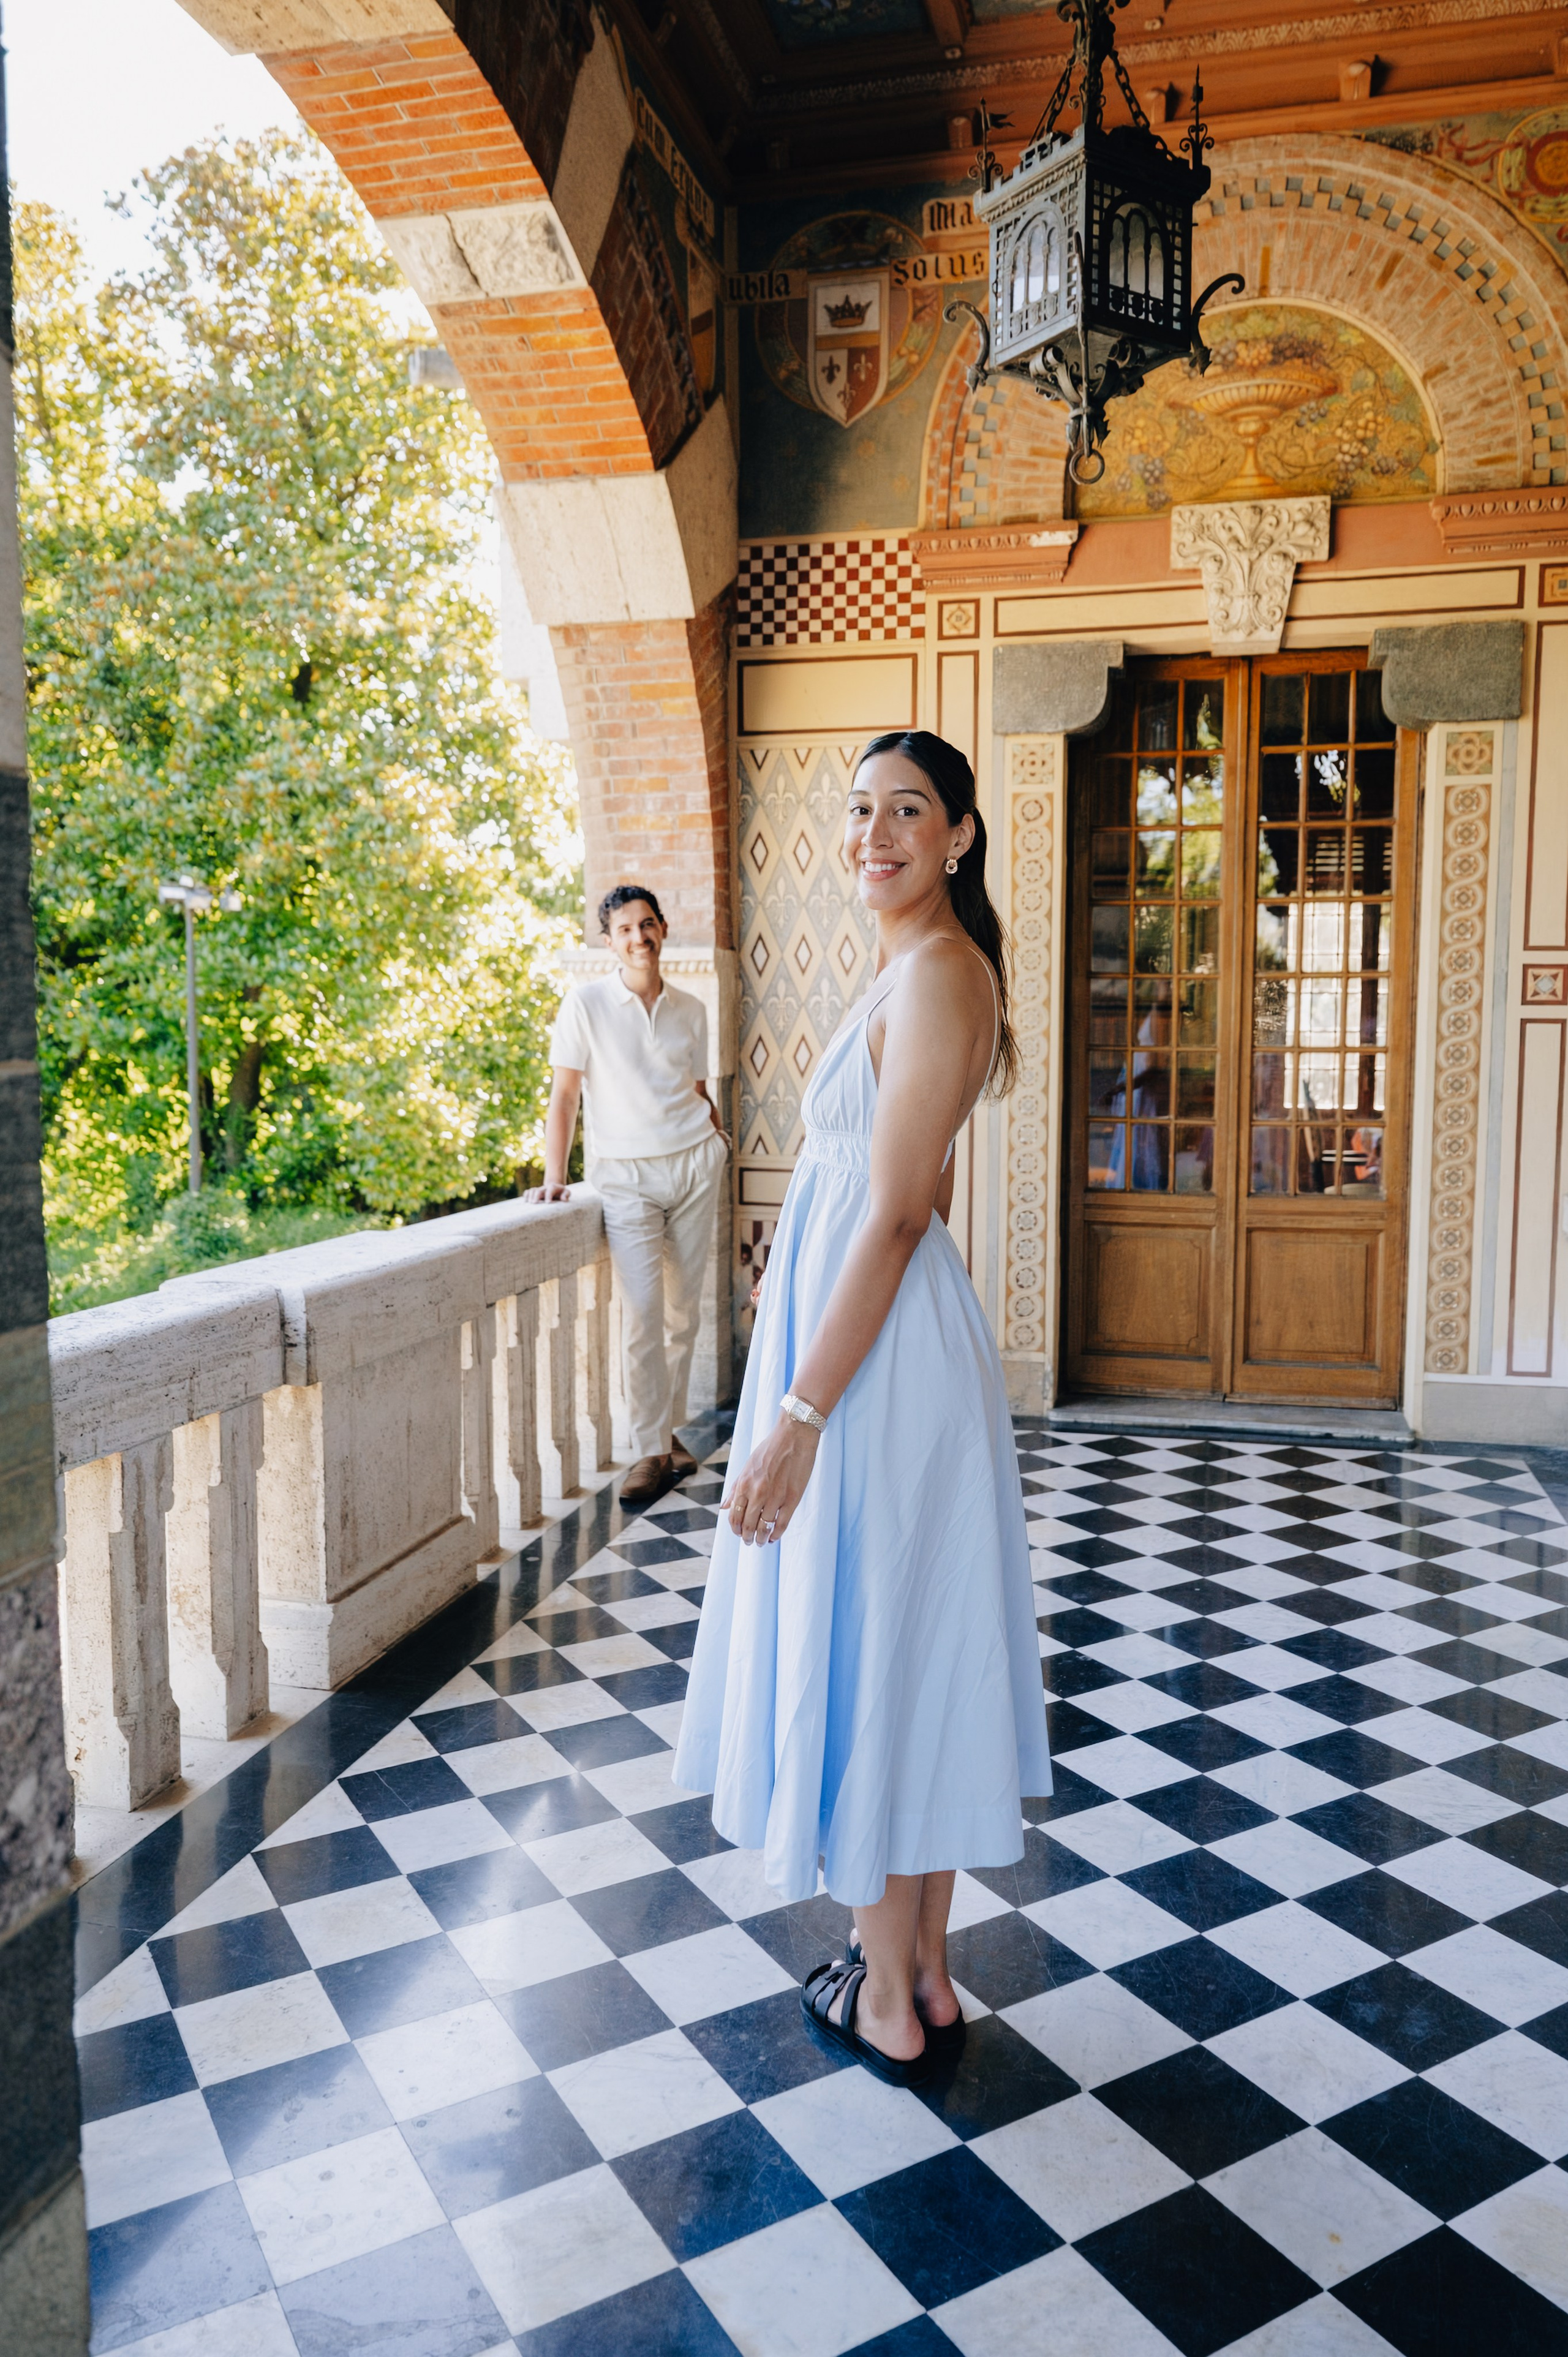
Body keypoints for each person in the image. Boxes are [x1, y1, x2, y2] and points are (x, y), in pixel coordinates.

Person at [673, 731, 1052, 2086]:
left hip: (873, 1378)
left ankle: (886, 1991)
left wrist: (796, 1411)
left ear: (957, 836)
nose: (872, 831)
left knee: (886, 1655)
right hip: (877, 1349)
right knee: (904, 1647)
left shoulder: (941, 971)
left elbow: (897, 1215)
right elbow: (908, 1196)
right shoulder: (914, 968)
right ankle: (925, 1974)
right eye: (857, 810)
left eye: (906, 809)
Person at [532, 885, 727, 1509]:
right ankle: (648, 1453)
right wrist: (555, 1173)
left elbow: (694, 1085)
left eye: (647, 925)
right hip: (626, 1176)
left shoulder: (692, 1008)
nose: (638, 937)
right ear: (607, 940)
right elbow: (564, 1097)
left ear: (663, 929)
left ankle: (666, 1437)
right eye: (624, 929)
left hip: (695, 1163)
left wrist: (716, 1136)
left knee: (681, 1314)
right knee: (643, 1311)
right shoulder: (585, 1005)